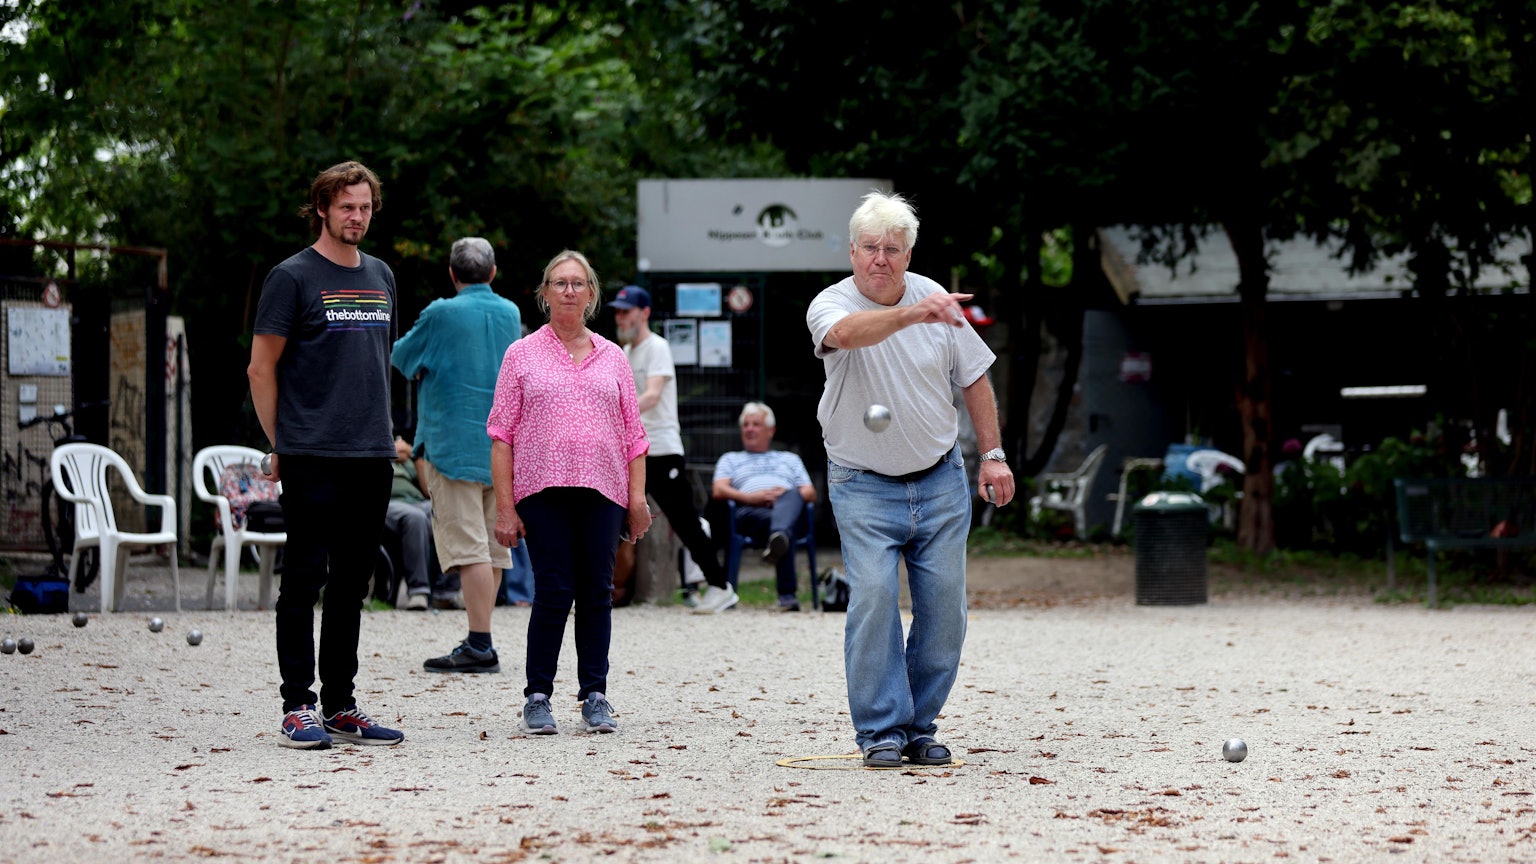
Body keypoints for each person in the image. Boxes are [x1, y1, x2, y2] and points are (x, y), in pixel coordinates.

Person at [806, 191, 1015, 768]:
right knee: (873, 597)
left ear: (908, 253)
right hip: (862, 483)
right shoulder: (830, 303)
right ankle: (880, 731)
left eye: (892, 249)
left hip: (940, 478)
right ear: (852, 251)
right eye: (870, 248)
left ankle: (919, 726)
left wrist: (992, 454)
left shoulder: (935, 302)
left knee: (946, 609)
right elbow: (847, 335)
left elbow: (973, 377)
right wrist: (915, 314)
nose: (880, 258)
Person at [248, 160, 404, 750]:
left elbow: (375, 362)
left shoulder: (383, 276)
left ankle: (341, 704)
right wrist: (280, 441)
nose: (357, 217)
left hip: (370, 451)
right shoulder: (291, 277)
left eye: (364, 207)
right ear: (322, 208)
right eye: (346, 207)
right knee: (306, 577)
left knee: (352, 582)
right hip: (311, 450)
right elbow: (261, 368)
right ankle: (298, 705)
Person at [488, 250, 651, 735]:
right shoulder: (521, 354)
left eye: (578, 283)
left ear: (591, 294)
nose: (568, 290)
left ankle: (595, 695)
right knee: (555, 589)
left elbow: (634, 436)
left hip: (604, 489)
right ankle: (537, 696)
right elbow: (501, 435)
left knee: (599, 591)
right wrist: (504, 508)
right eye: (559, 282)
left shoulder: (613, 356)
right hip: (543, 489)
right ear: (544, 293)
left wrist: (637, 499)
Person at [393, 236, 524, 674]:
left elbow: (400, 357)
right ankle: (482, 635)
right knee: (493, 550)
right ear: (492, 273)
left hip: (452, 447)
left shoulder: (440, 313)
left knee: (469, 551)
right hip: (503, 447)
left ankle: (480, 643)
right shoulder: (510, 312)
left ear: (452, 274)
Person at [608, 284, 738, 614]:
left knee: (685, 522)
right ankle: (601, 589)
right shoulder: (625, 353)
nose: (621, 316)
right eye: (618, 311)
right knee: (609, 516)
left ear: (644, 313)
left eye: (627, 310)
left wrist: (612, 414)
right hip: (633, 452)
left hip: (662, 450)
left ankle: (720, 587)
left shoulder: (657, 347)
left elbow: (651, 396)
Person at [711, 402, 816, 612]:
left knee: (792, 499)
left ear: (771, 430)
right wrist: (750, 498)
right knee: (784, 528)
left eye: (756, 424)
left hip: (788, 510)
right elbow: (718, 490)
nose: (750, 429)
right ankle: (787, 595)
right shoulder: (731, 459)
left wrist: (783, 496)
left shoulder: (790, 459)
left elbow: (810, 492)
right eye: (746, 425)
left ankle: (779, 536)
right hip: (751, 514)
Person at [384, 436, 435, 610]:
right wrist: (389, 454)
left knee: (447, 513)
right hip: (388, 503)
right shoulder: (372, 447)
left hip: (416, 500)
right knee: (416, 517)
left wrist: (415, 455)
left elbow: (428, 490)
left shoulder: (406, 457)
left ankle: (447, 591)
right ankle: (418, 591)